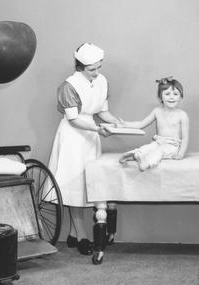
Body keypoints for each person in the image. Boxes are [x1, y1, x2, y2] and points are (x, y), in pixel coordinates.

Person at [47, 42, 124, 255]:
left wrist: (117, 123)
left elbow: (103, 112)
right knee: (74, 184)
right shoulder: (69, 85)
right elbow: (74, 120)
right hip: (73, 137)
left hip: (91, 135)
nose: (96, 72)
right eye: (92, 69)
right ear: (80, 67)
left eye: (99, 67)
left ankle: (72, 235)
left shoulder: (102, 81)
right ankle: (81, 235)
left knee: (87, 183)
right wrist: (98, 129)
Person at [118, 77, 189, 171]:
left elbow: (185, 137)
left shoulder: (182, 115)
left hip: (172, 146)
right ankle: (135, 155)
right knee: (148, 148)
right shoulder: (157, 111)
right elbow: (141, 124)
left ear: (180, 97)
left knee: (159, 152)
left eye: (175, 94)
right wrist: (125, 124)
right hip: (158, 142)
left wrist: (181, 153)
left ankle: (146, 164)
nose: (171, 97)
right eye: (167, 94)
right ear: (161, 97)